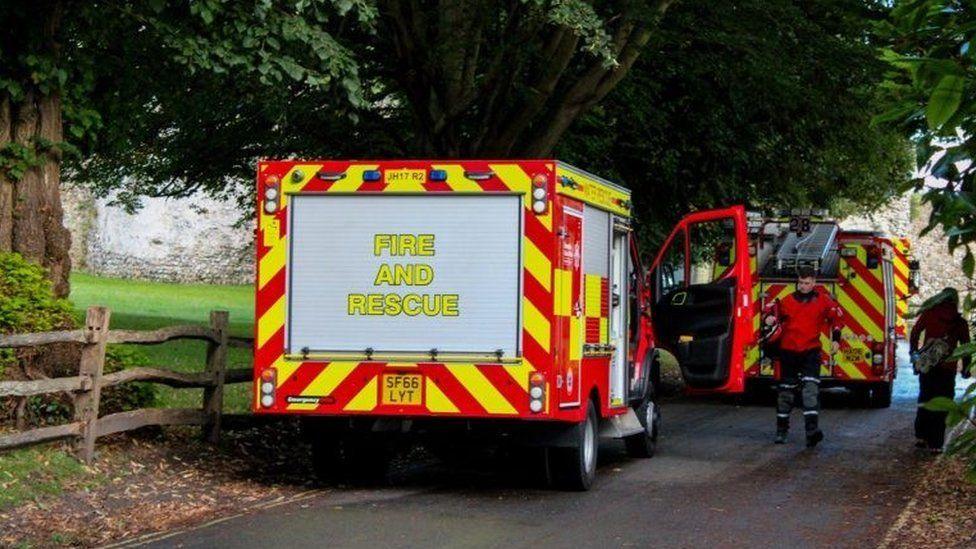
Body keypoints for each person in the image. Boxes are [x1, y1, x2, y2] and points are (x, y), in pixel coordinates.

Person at [763, 267, 842, 447]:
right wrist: (769, 319)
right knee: (785, 394)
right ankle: (781, 431)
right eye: (800, 283)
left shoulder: (823, 301)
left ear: (814, 283)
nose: (803, 286)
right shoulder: (787, 301)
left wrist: (836, 339)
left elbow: (837, 318)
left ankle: (811, 432)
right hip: (788, 352)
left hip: (811, 352)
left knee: (811, 392)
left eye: (807, 283)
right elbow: (771, 314)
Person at [910, 287, 971, 453]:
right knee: (942, 403)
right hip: (947, 369)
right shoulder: (959, 322)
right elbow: (966, 347)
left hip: (928, 366)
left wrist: (914, 354)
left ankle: (921, 436)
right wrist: (966, 368)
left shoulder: (929, 314)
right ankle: (936, 444)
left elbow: (915, 333)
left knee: (925, 398)